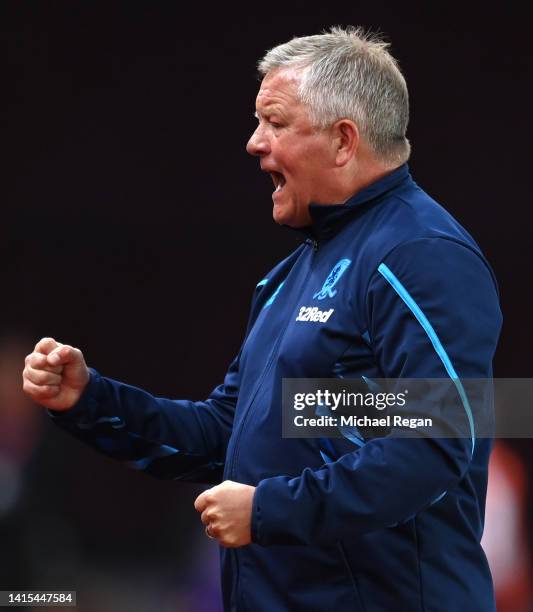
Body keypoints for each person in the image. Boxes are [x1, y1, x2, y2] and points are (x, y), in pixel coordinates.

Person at [22, 26, 502, 611]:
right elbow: (223, 434)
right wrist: (90, 400)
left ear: (343, 141)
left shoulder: (420, 255)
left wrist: (269, 511)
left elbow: (434, 443)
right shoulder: (290, 275)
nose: (254, 143)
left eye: (275, 122)